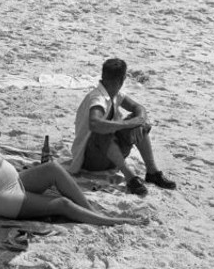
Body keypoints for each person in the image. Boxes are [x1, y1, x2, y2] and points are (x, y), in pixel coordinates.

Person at [0, 97, 137, 226]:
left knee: (52, 168)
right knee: (62, 204)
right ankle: (107, 221)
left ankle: (91, 211)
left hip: (8, 183)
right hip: (2, 199)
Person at [70, 58, 176, 196]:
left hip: (108, 157)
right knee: (102, 130)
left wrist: (139, 121)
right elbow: (95, 124)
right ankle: (130, 177)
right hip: (89, 160)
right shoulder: (98, 98)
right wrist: (128, 124)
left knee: (138, 123)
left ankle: (152, 171)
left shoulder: (114, 94)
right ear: (122, 79)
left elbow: (139, 108)